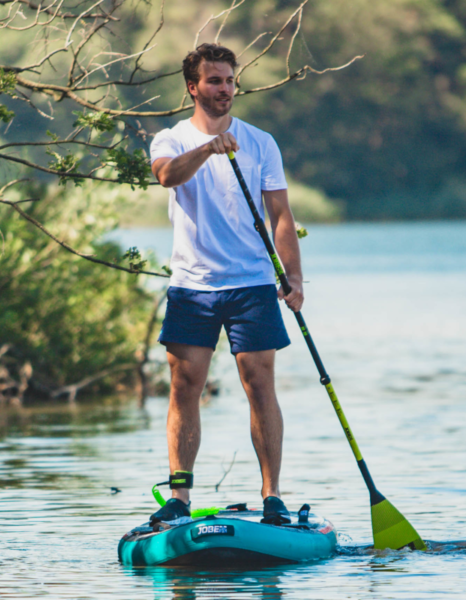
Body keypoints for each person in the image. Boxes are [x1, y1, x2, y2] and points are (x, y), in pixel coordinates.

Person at [149, 43, 304, 526]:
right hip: (193, 285)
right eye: (214, 81)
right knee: (185, 385)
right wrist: (207, 148)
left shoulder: (261, 142)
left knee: (260, 385)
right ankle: (179, 499)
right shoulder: (170, 139)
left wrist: (293, 276)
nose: (225, 89)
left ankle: (272, 497)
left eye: (230, 81)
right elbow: (167, 177)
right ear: (192, 87)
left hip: (253, 284)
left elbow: (280, 215)